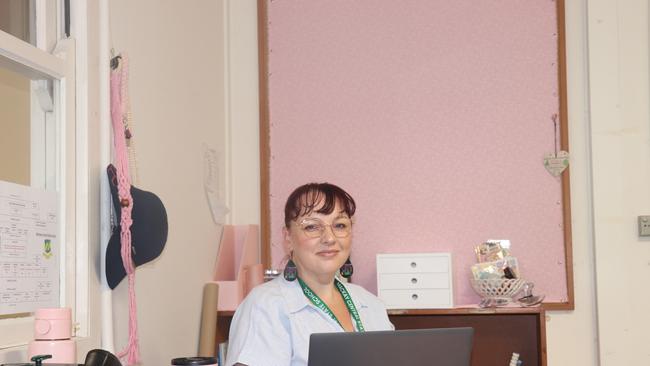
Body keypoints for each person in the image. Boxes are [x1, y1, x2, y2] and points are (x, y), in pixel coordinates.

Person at [225, 183, 394, 366]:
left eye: (340, 225)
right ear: (288, 238)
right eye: (312, 227)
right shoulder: (266, 305)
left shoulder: (371, 305)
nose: (329, 238)